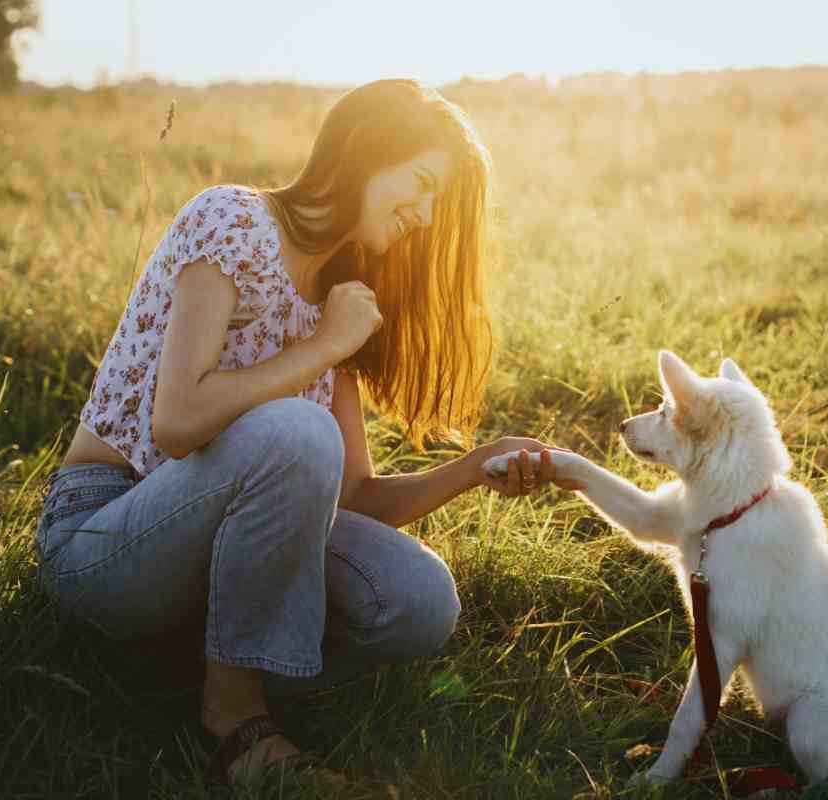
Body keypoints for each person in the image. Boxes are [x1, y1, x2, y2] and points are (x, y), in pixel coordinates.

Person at [35, 78, 571, 788]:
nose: (427, 214)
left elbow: (350, 495)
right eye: (420, 183)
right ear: (365, 153)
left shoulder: (341, 291)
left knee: (418, 599)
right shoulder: (232, 220)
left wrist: (476, 465)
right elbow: (178, 419)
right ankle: (232, 724)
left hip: (218, 543)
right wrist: (320, 349)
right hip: (106, 533)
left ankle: (185, 674)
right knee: (296, 429)